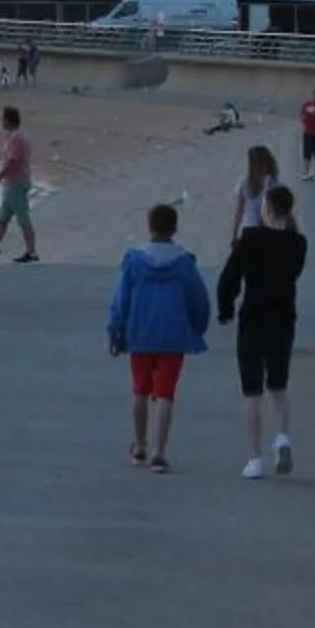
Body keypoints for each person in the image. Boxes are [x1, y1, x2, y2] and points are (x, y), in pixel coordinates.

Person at [108, 202, 212, 474]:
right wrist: (198, 327)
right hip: (174, 335)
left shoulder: (134, 261)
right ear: (174, 228)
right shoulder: (184, 263)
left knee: (140, 389)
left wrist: (114, 329)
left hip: (140, 333)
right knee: (165, 394)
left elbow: (121, 300)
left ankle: (140, 445)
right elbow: (199, 300)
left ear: (149, 226)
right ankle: (159, 451)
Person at [216, 186, 309, 480]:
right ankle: (282, 436)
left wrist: (226, 308)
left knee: (252, 391)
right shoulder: (298, 244)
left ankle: (255, 459)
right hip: (283, 319)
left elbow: (229, 277)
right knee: (279, 386)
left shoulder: (251, 239)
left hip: (254, 317)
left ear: (267, 208)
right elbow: (293, 274)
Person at [0, 105, 40, 263]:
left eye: (3, 119)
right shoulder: (19, 137)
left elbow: (12, 161)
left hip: (16, 182)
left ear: (8, 120)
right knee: (2, 218)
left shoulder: (15, 139)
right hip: (14, 182)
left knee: (22, 218)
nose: (2, 122)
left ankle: (31, 251)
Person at [228, 144, 282, 239]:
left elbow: (239, 212)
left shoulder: (243, 182)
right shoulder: (273, 183)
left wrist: (234, 235)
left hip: (248, 228)